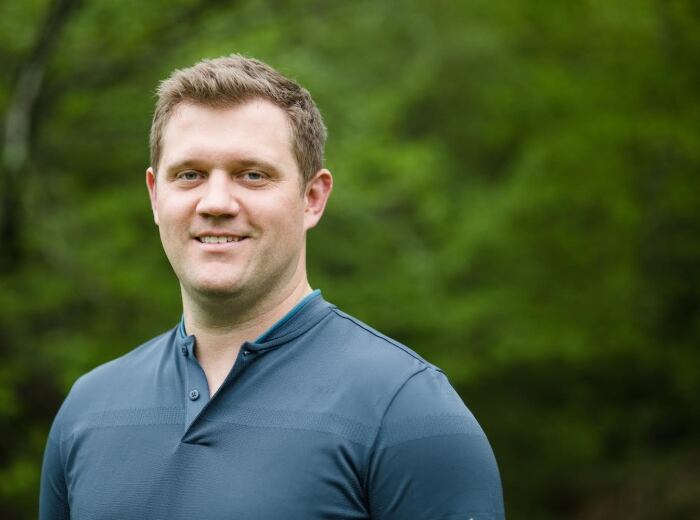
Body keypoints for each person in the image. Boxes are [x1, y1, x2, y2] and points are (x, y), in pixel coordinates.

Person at [39, 55, 505, 519]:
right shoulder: (88, 409)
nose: (216, 202)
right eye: (190, 175)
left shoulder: (408, 412)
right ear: (155, 195)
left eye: (252, 175)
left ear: (312, 198)